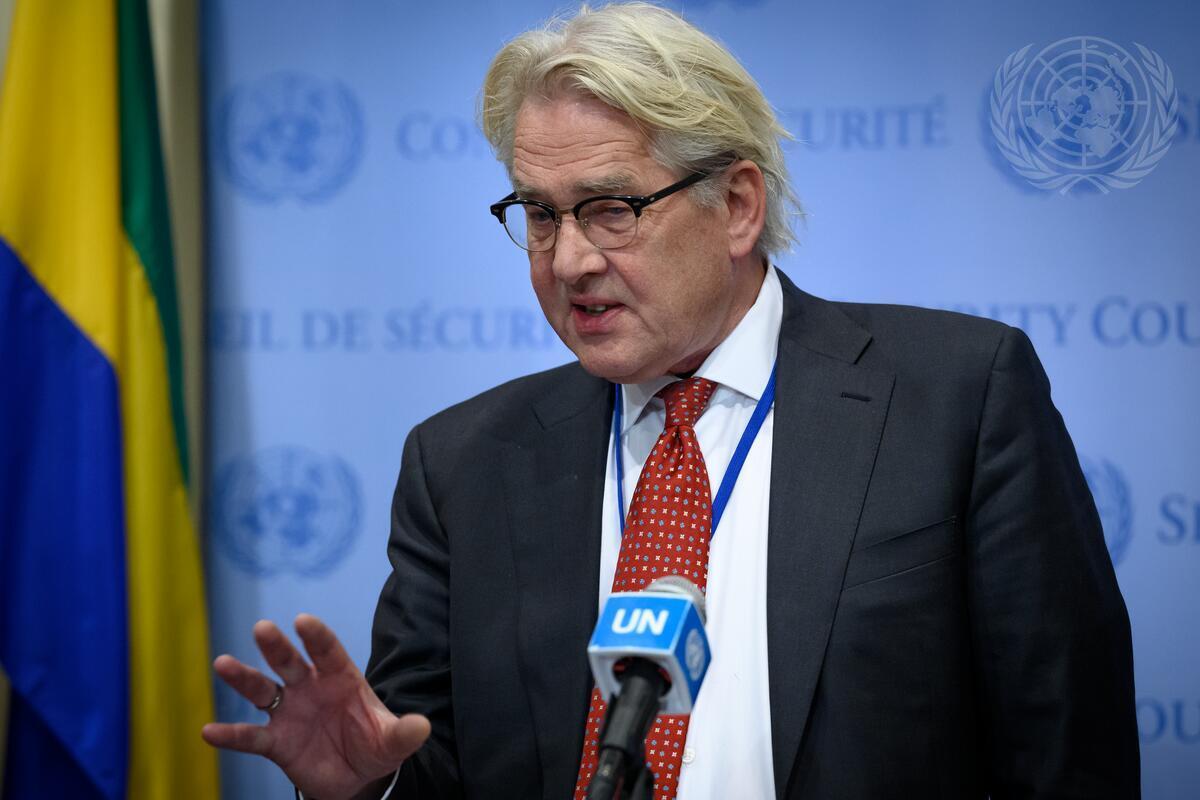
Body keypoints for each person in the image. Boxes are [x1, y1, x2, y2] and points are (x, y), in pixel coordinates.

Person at [202, 4, 1140, 798]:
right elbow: (427, 761)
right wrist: (368, 786)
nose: (570, 260)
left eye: (612, 208)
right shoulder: (461, 464)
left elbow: (1068, 749)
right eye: (540, 214)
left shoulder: (957, 398)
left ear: (737, 206)